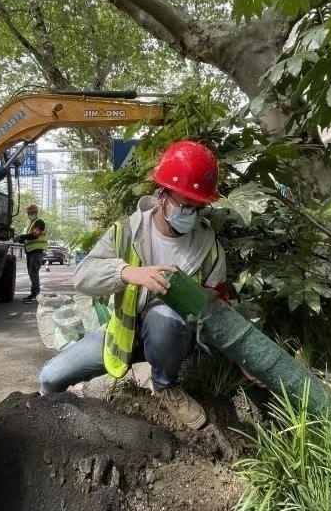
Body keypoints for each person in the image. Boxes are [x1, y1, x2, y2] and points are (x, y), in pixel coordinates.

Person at [39, 141, 226, 429]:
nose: (191, 214)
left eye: (199, 208)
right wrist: (126, 272)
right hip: (123, 333)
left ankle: (165, 386)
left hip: (172, 339)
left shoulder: (209, 247)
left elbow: (220, 306)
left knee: (163, 316)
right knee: (50, 377)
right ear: (161, 195)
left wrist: (245, 360)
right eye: (185, 206)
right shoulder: (126, 232)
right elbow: (83, 276)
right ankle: (47, 424)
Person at [18, 203, 47, 304]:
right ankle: (34, 294)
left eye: (30, 213)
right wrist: (21, 239)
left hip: (36, 251)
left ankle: (35, 295)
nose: (28, 215)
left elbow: (34, 235)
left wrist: (21, 237)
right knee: (32, 273)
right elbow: (29, 237)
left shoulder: (40, 222)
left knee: (33, 272)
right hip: (30, 252)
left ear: (35, 212)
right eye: (28, 213)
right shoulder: (31, 223)